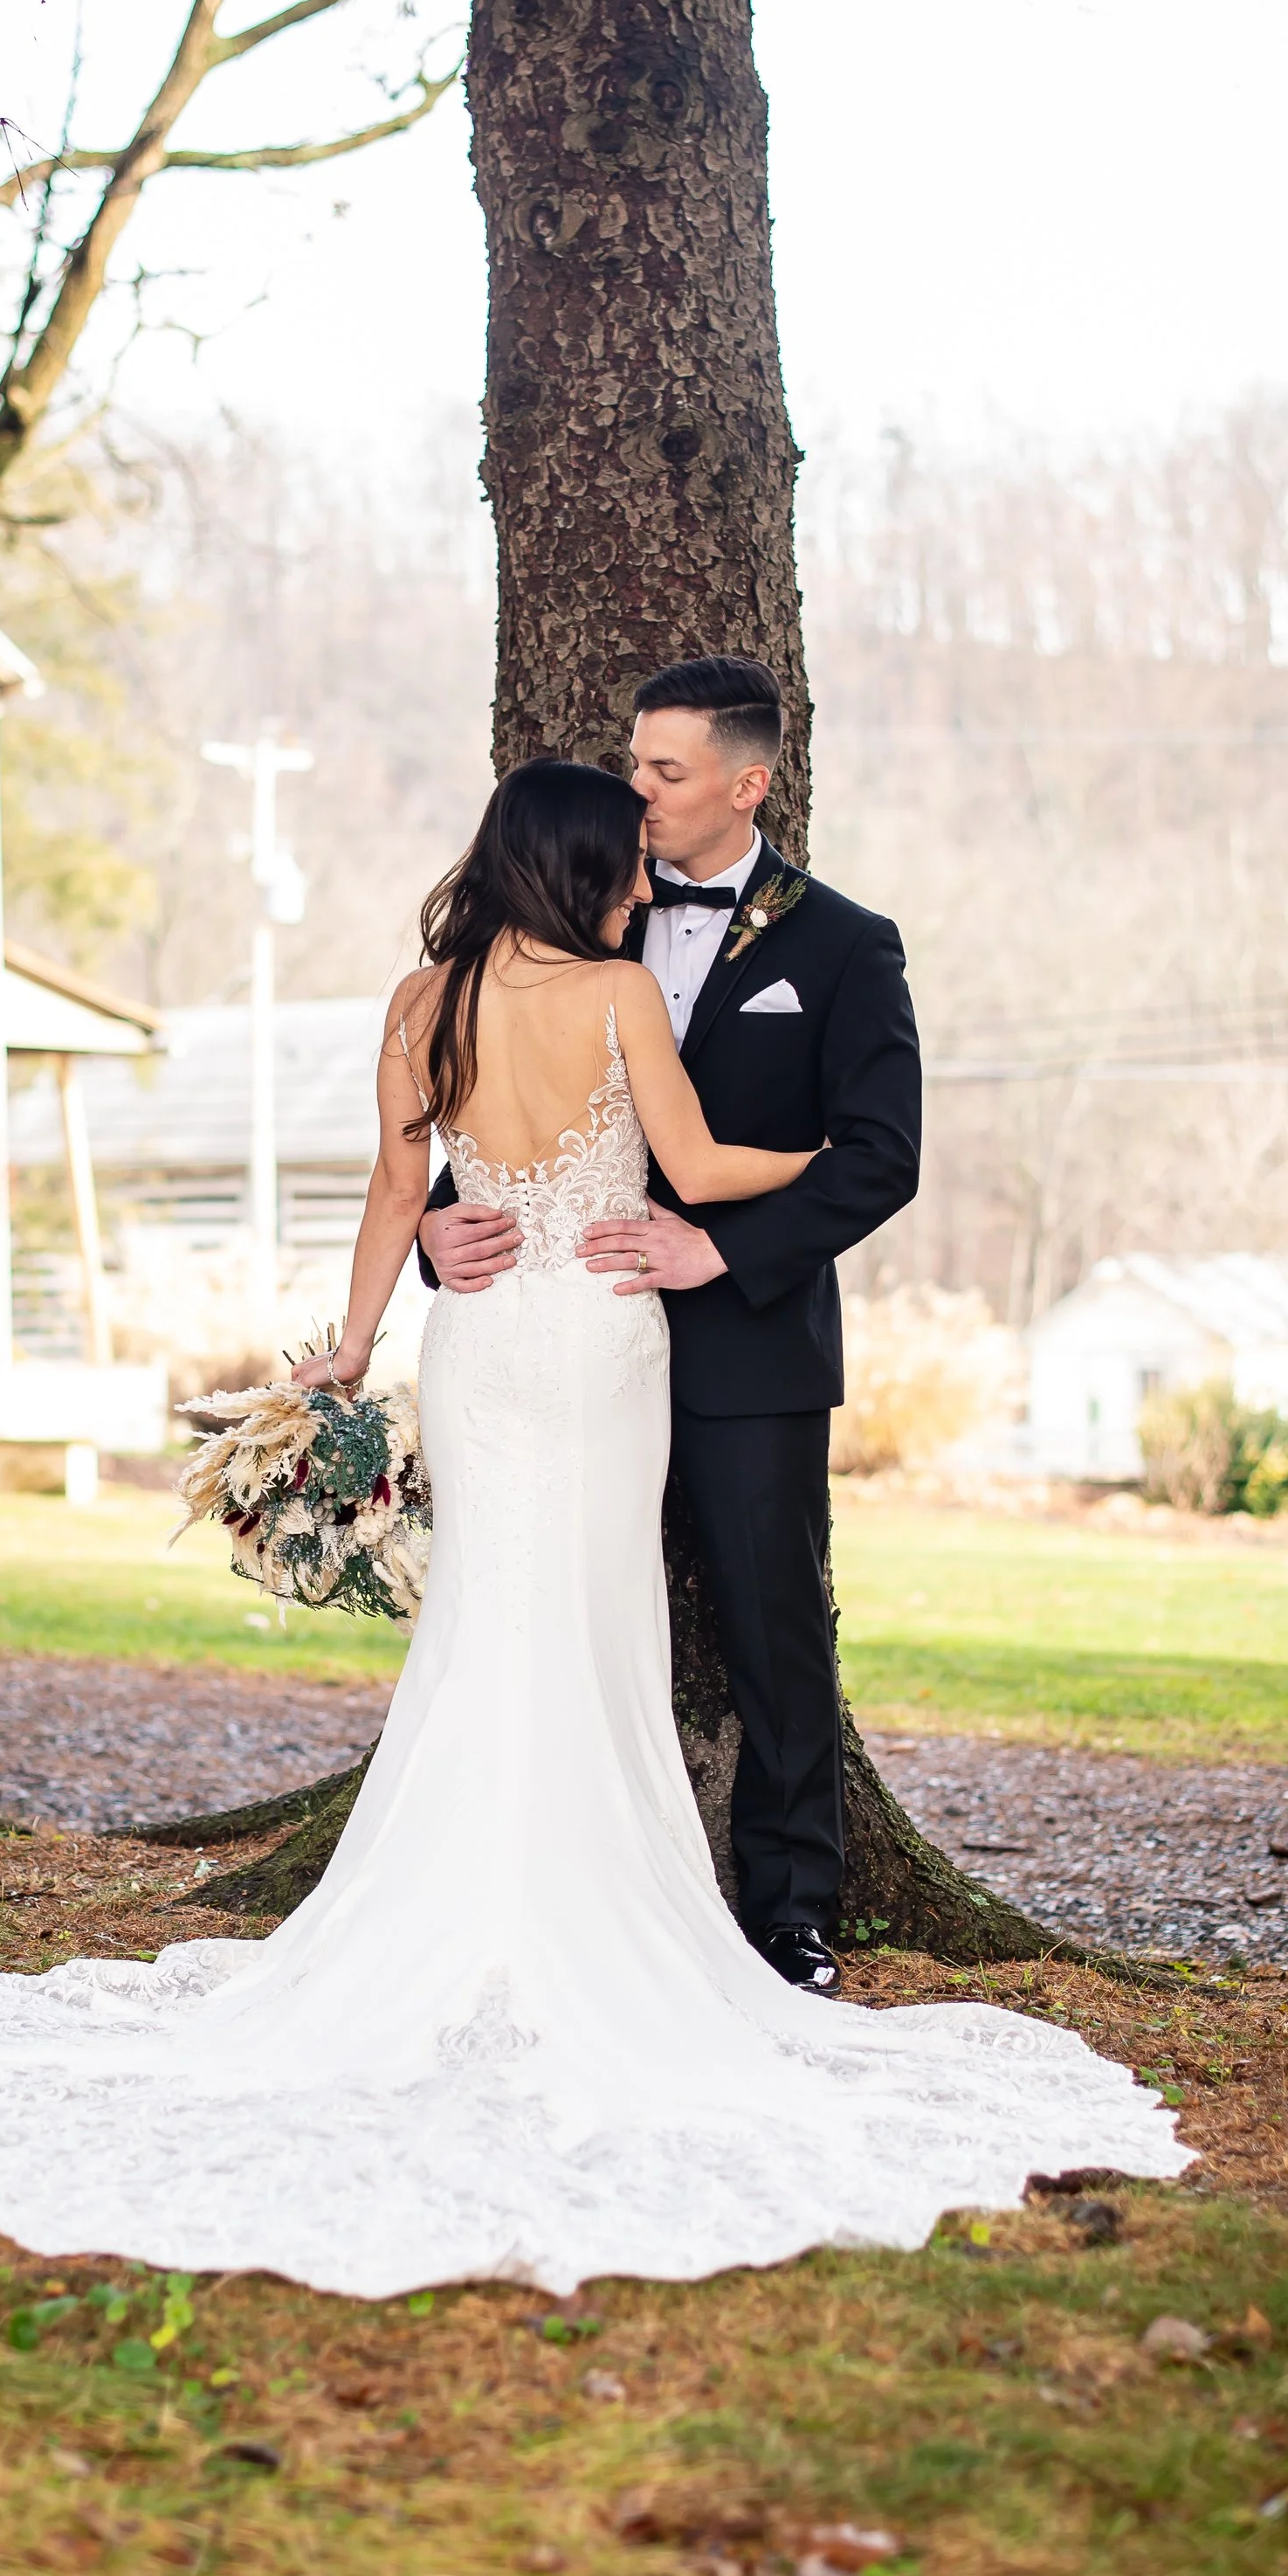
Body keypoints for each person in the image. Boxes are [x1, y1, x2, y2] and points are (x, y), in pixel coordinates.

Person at [0, 757, 1185, 2296]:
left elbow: (396, 1196)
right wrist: (831, 1166)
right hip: (596, 1336)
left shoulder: (418, 999)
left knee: (484, 1623)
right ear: (577, 869)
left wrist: (351, 1347)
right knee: (587, 1621)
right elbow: (704, 1171)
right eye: (624, 867)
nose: (644, 887)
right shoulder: (618, 1000)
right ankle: (590, 1920)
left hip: (481, 1346)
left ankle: (453, 1910)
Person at [420, 655, 914, 1997]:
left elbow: (879, 1156)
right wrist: (432, 1225)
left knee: (773, 1629)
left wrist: (724, 1246)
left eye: (667, 771)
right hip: (553, 1337)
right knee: (545, 1611)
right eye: (634, 764)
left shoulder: (845, 945)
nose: (637, 790)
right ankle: (549, 1900)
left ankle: (790, 1913)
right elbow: (489, 1090)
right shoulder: (587, 907)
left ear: (748, 784)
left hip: (749, 1347)